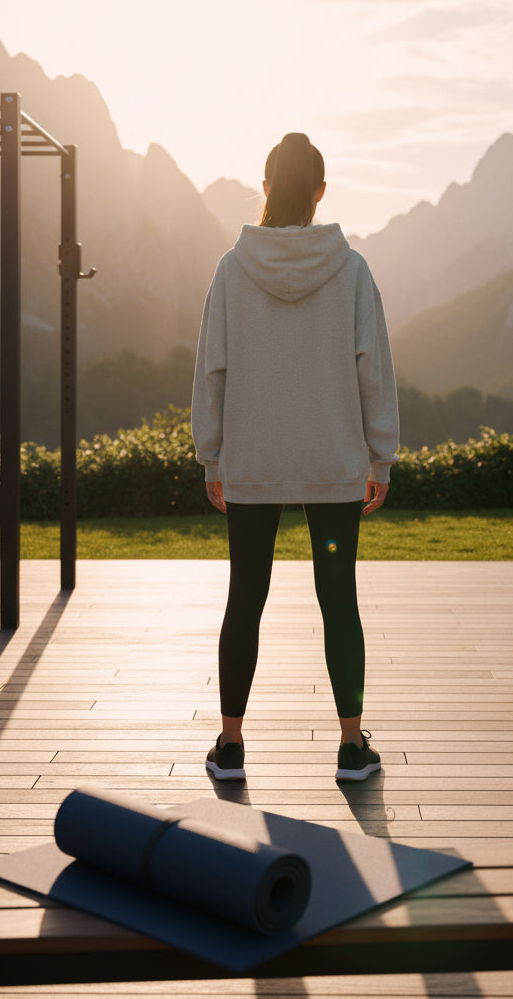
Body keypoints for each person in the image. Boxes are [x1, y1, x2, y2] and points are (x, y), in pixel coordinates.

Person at [191, 132, 399, 782]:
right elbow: (375, 372)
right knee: (340, 600)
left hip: (251, 460)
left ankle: (230, 747)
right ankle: (350, 746)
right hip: (334, 461)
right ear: (319, 191)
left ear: (264, 187)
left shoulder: (231, 268)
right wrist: (380, 458)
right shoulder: (353, 271)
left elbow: (211, 371)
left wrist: (212, 457)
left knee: (244, 598)